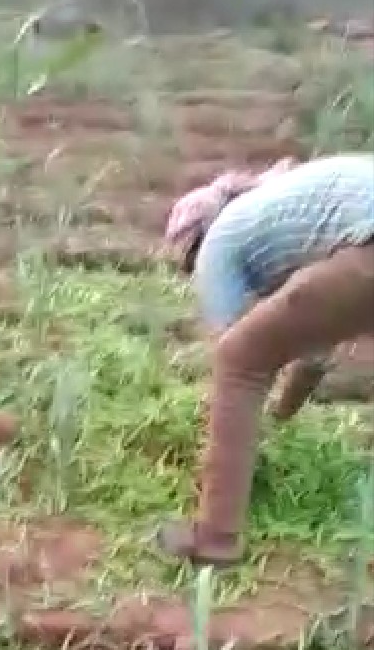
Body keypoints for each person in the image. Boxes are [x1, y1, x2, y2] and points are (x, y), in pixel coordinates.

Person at [158, 153, 374, 566]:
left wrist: (244, 424)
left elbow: (238, 356)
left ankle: (215, 539)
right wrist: (280, 418)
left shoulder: (218, 243)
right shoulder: (280, 217)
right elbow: (312, 348)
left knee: (238, 360)